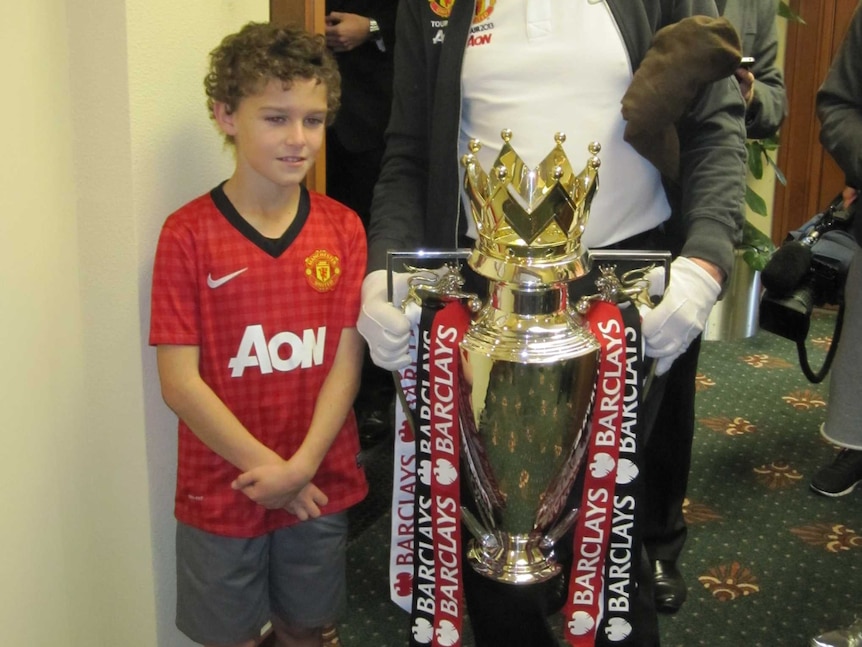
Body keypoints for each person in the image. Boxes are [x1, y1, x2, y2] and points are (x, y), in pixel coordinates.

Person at [357, 2, 747, 645]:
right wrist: (384, 274)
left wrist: (703, 262)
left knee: (614, 525)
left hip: (628, 300)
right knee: (498, 540)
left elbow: (714, 126)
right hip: (488, 306)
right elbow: (409, 154)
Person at [149, 22, 368, 647]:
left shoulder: (344, 229)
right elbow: (179, 382)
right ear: (225, 115)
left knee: (309, 628)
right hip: (223, 485)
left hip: (317, 479)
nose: (299, 140)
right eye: (276, 118)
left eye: (314, 120)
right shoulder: (186, 234)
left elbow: (346, 365)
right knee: (232, 636)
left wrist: (299, 469)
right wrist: (270, 470)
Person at [644, 0, 788, 615]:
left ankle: (657, 545)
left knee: (669, 393)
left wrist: (748, 96)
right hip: (620, 191)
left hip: (688, 207)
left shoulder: (757, 7)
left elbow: (778, 101)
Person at [324, 0, 399, 448]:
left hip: (372, 121)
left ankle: (371, 394)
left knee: (366, 260)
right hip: (315, 124)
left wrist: (372, 26)